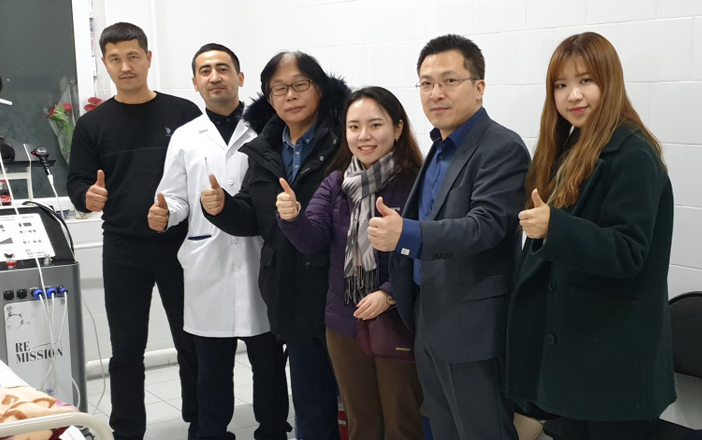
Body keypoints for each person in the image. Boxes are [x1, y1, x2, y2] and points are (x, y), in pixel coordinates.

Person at [506, 32, 675, 440]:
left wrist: (555, 228)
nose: (573, 95)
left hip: (613, 362)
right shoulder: (573, 147)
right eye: (561, 85)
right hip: (577, 357)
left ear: (609, 81)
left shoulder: (633, 154)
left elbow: (628, 251)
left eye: (585, 81)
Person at [368, 34, 528, 440]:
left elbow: (485, 225)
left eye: (449, 81)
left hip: (473, 325)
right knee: (444, 429)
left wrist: (406, 233)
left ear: (479, 87)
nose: (435, 93)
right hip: (429, 315)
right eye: (426, 83)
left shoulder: (501, 147)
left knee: (482, 431)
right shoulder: (439, 147)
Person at [200, 50, 350, 440]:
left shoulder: (345, 140)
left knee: (356, 404)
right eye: (279, 89)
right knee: (310, 403)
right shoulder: (265, 148)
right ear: (268, 97)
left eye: (300, 85)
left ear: (320, 89)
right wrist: (222, 208)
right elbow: (254, 217)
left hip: (341, 291)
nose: (290, 96)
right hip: (290, 292)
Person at [66, 22, 202, 440]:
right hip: (123, 248)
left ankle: (201, 422)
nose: (125, 66)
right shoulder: (92, 124)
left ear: (148, 58)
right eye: (115, 59)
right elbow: (77, 182)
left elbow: (202, 172)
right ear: (105, 64)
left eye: (132, 56)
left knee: (192, 341)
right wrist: (86, 196)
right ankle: (126, 432)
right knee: (126, 349)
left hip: (180, 244)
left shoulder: (183, 114)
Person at [148, 43, 291, 440]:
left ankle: (273, 431)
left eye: (223, 68)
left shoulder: (268, 129)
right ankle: (211, 432)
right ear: (195, 83)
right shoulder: (185, 137)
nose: (215, 77)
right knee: (211, 367)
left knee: (268, 362)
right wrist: (166, 214)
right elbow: (175, 197)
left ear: (239, 78)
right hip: (207, 262)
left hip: (261, 258)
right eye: (205, 71)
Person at [276, 86, 425, 440]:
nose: (364, 136)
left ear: (398, 128)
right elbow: (312, 240)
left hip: (398, 319)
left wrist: (388, 293)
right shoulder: (336, 182)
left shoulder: (415, 182)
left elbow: (425, 251)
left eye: (375, 125)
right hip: (344, 322)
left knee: (402, 423)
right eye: (354, 127)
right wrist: (292, 217)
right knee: (361, 423)